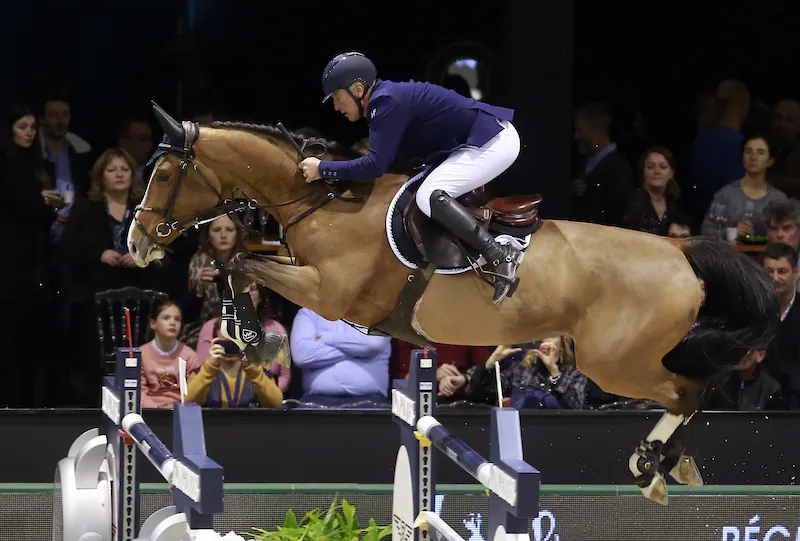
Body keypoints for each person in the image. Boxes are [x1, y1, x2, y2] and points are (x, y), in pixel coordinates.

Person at [298, 52, 523, 304]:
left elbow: (375, 165)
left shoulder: (385, 103)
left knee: (430, 196)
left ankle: (498, 255)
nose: (337, 107)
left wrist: (322, 169)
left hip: (491, 142)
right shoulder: (384, 100)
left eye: (338, 98)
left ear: (359, 89)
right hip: (475, 144)